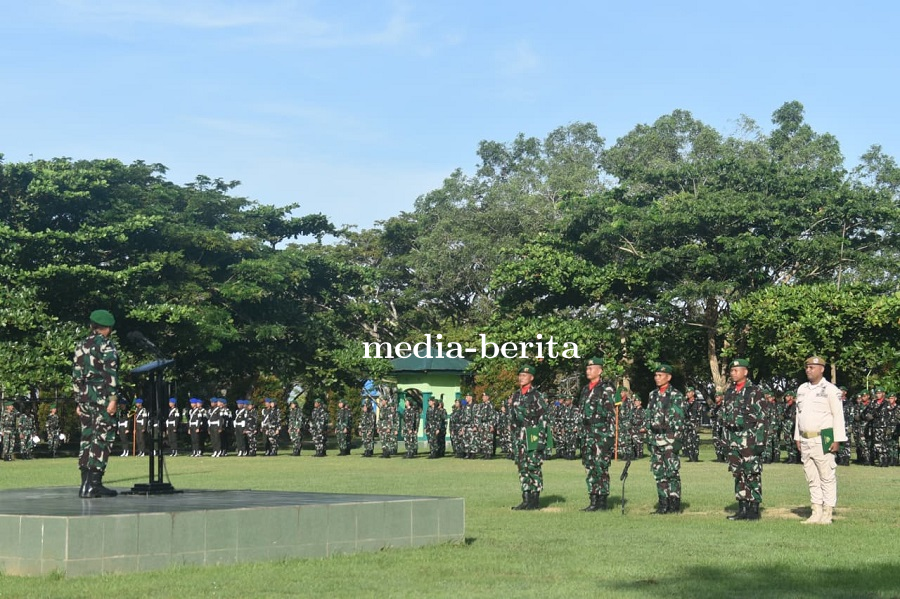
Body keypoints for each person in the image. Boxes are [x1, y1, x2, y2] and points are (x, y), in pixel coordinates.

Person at [72, 309, 120, 498]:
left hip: (85, 398)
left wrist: (78, 400)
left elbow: (76, 375)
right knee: (102, 438)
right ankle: (94, 484)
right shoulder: (106, 346)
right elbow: (111, 374)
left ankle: (85, 484)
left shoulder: (81, 345)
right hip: (102, 398)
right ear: (107, 329)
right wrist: (113, 399)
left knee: (87, 438)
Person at [794, 356, 847, 525]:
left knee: (826, 476)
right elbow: (798, 415)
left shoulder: (831, 390)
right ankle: (815, 511)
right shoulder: (802, 389)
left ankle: (827, 512)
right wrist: (797, 437)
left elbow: (838, 415)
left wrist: (837, 439)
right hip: (806, 437)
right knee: (811, 477)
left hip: (824, 436)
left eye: (812, 367)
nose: (808, 370)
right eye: (807, 367)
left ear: (822, 369)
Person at [721, 358, 766, 520]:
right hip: (733, 438)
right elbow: (724, 418)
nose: (733, 373)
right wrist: (725, 441)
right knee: (738, 473)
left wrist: (760, 442)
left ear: (745, 372)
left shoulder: (755, 391)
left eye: (736, 370)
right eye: (732, 371)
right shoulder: (730, 392)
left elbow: (762, 419)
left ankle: (754, 509)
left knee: (752, 473)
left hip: (749, 438)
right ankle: (742, 507)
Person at [642, 363, 686, 514]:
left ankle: (674, 504)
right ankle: (662, 504)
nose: (657, 378)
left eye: (660, 375)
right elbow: (648, 416)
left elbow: (680, 419)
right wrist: (648, 437)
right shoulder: (652, 395)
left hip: (669, 438)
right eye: (656, 375)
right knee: (658, 472)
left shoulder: (676, 395)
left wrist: (677, 440)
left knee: (672, 472)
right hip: (656, 437)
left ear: (669, 377)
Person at [576, 357, 616, 511]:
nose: (588, 370)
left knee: (601, 467)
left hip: (601, 434)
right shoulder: (586, 389)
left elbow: (612, 414)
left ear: (600, 371)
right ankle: (593, 500)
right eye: (587, 368)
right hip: (587, 434)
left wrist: (610, 436)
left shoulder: (606, 388)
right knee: (589, 467)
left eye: (591, 368)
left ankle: (602, 501)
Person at [509, 365, 549, 511]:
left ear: (531, 378)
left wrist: (541, 439)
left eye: (525, 375)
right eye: (520, 375)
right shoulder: (516, 395)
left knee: (534, 466)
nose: (521, 378)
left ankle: (535, 500)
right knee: (522, 466)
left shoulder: (537, 396)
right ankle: (525, 498)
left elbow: (544, 418)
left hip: (532, 432)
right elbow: (512, 417)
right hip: (519, 434)